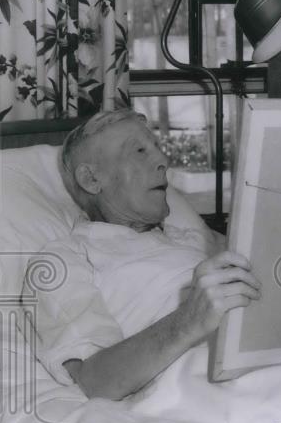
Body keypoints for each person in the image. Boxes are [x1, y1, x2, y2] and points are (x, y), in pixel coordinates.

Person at [31, 109, 260, 400]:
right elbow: (94, 380)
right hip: (207, 383)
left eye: (157, 148)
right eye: (139, 151)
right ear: (91, 179)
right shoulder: (64, 258)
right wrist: (189, 320)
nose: (163, 161)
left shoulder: (194, 239)